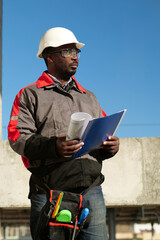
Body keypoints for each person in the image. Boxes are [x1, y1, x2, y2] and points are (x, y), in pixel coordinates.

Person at [8, 27, 119, 240]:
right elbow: (17, 137)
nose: (75, 57)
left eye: (76, 52)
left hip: (92, 191)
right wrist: (54, 147)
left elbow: (101, 134)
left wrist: (110, 147)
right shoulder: (29, 95)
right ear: (50, 56)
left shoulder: (89, 98)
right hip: (50, 191)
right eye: (68, 51)